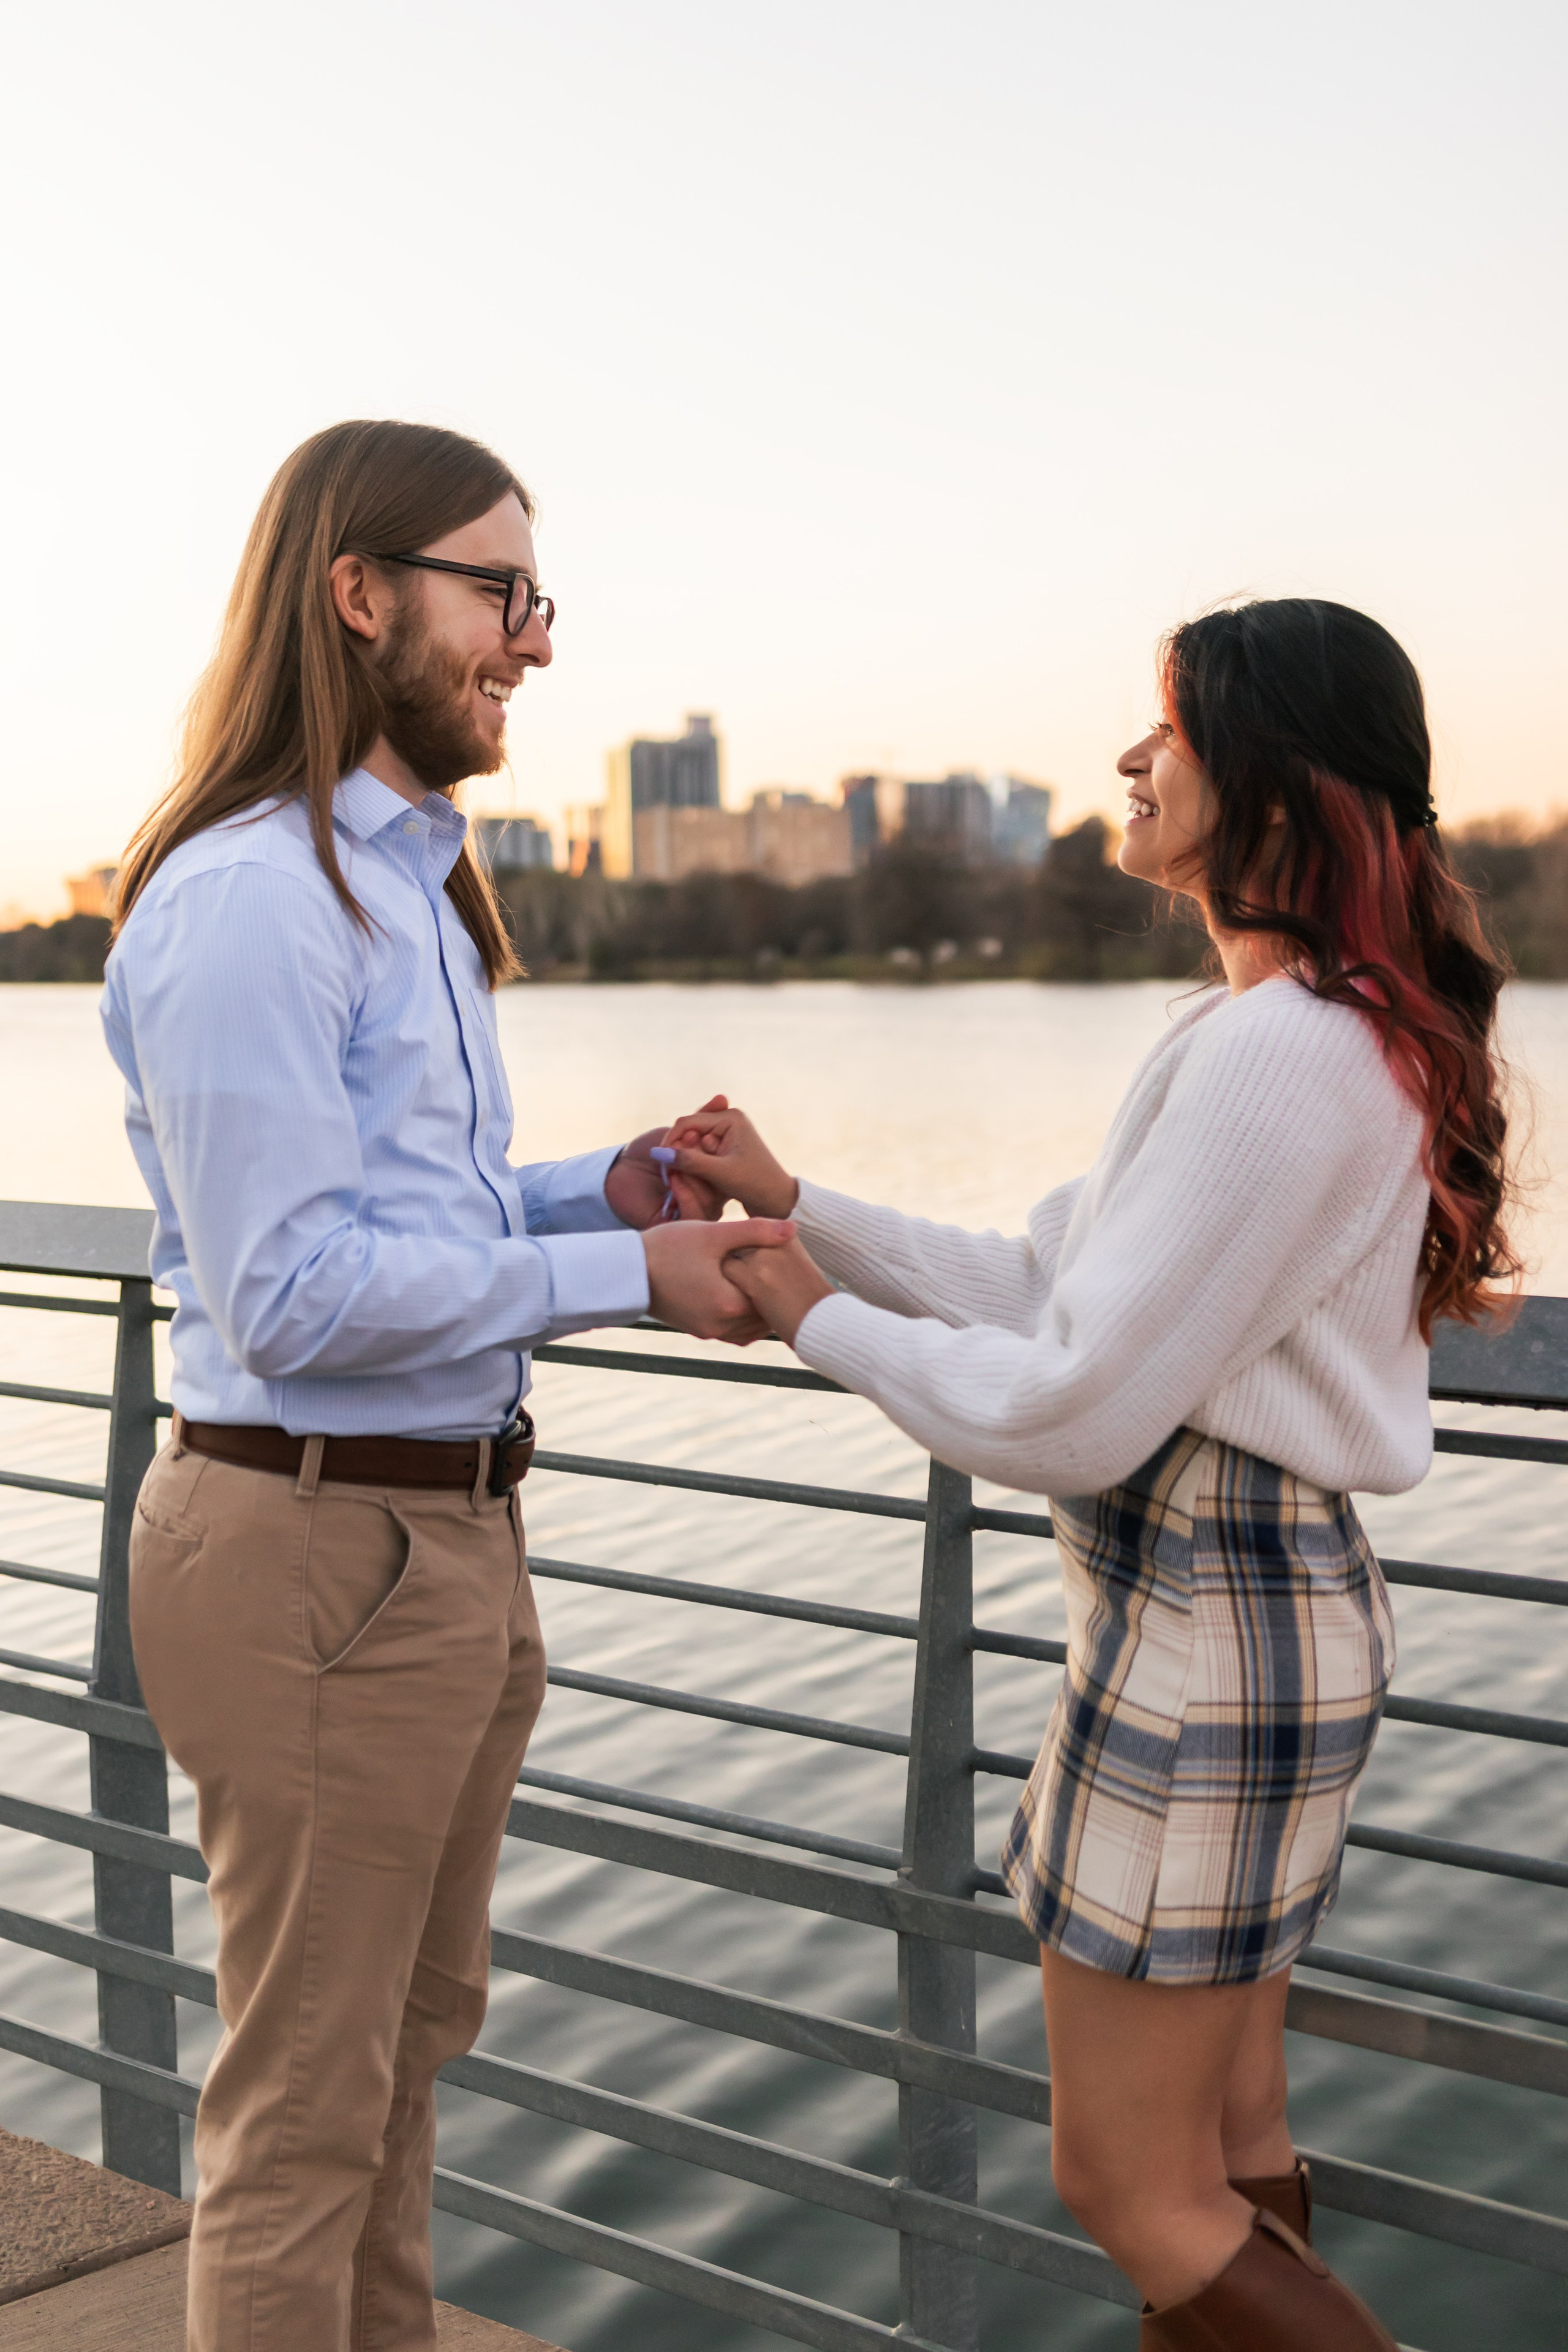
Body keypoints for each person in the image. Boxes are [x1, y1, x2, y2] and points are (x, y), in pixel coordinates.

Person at [666, 600, 1517, 2350]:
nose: (1133, 759)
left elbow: (1068, 1408)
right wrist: (802, 1208)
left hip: (1204, 1636)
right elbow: (1059, 1288)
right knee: (1227, 2142)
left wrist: (816, 1318)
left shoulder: (1286, 1054)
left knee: (1129, 2185)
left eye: (1173, 726)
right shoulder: (1292, 1032)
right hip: (1238, 1620)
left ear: (1278, 774)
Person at [101, 418, 793, 2352]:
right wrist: (631, 1274)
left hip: (432, 1540)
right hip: (315, 1542)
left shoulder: (405, 880)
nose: (536, 643)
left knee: (402, 2070)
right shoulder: (258, 898)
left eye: (532, 597)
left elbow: (413, 1212)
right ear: (361, 594)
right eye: (501, 593)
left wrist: (597, 1190)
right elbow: (297, 1292)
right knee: (308, 2113)